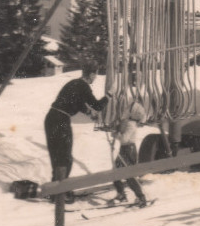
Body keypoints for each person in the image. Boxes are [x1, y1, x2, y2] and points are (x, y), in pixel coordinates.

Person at [43, 67, 108, 203]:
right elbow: (97, 105)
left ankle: (56, 191)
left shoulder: (74, 83)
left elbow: (77, 104)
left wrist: (89, 114)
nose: (95, 78)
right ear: (91, 74)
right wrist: (109, 96)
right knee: (66, 158)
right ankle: (61, 192)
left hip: (51, 118)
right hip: (61, 120)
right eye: (95, 75)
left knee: (57, 156)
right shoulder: (84, 86)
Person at [109, 102, 148, 207]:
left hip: (129, 150)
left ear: (133, 113)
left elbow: (124, 138)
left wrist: (116, 134)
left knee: (129, 175)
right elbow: (119, 129)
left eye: (128, 109)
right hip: (124, 148)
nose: (125, 110)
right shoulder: (127, 121)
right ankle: (121, 194)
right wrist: (115, 128)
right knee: (116, 171)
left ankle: (141, 197)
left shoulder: (131, 124)